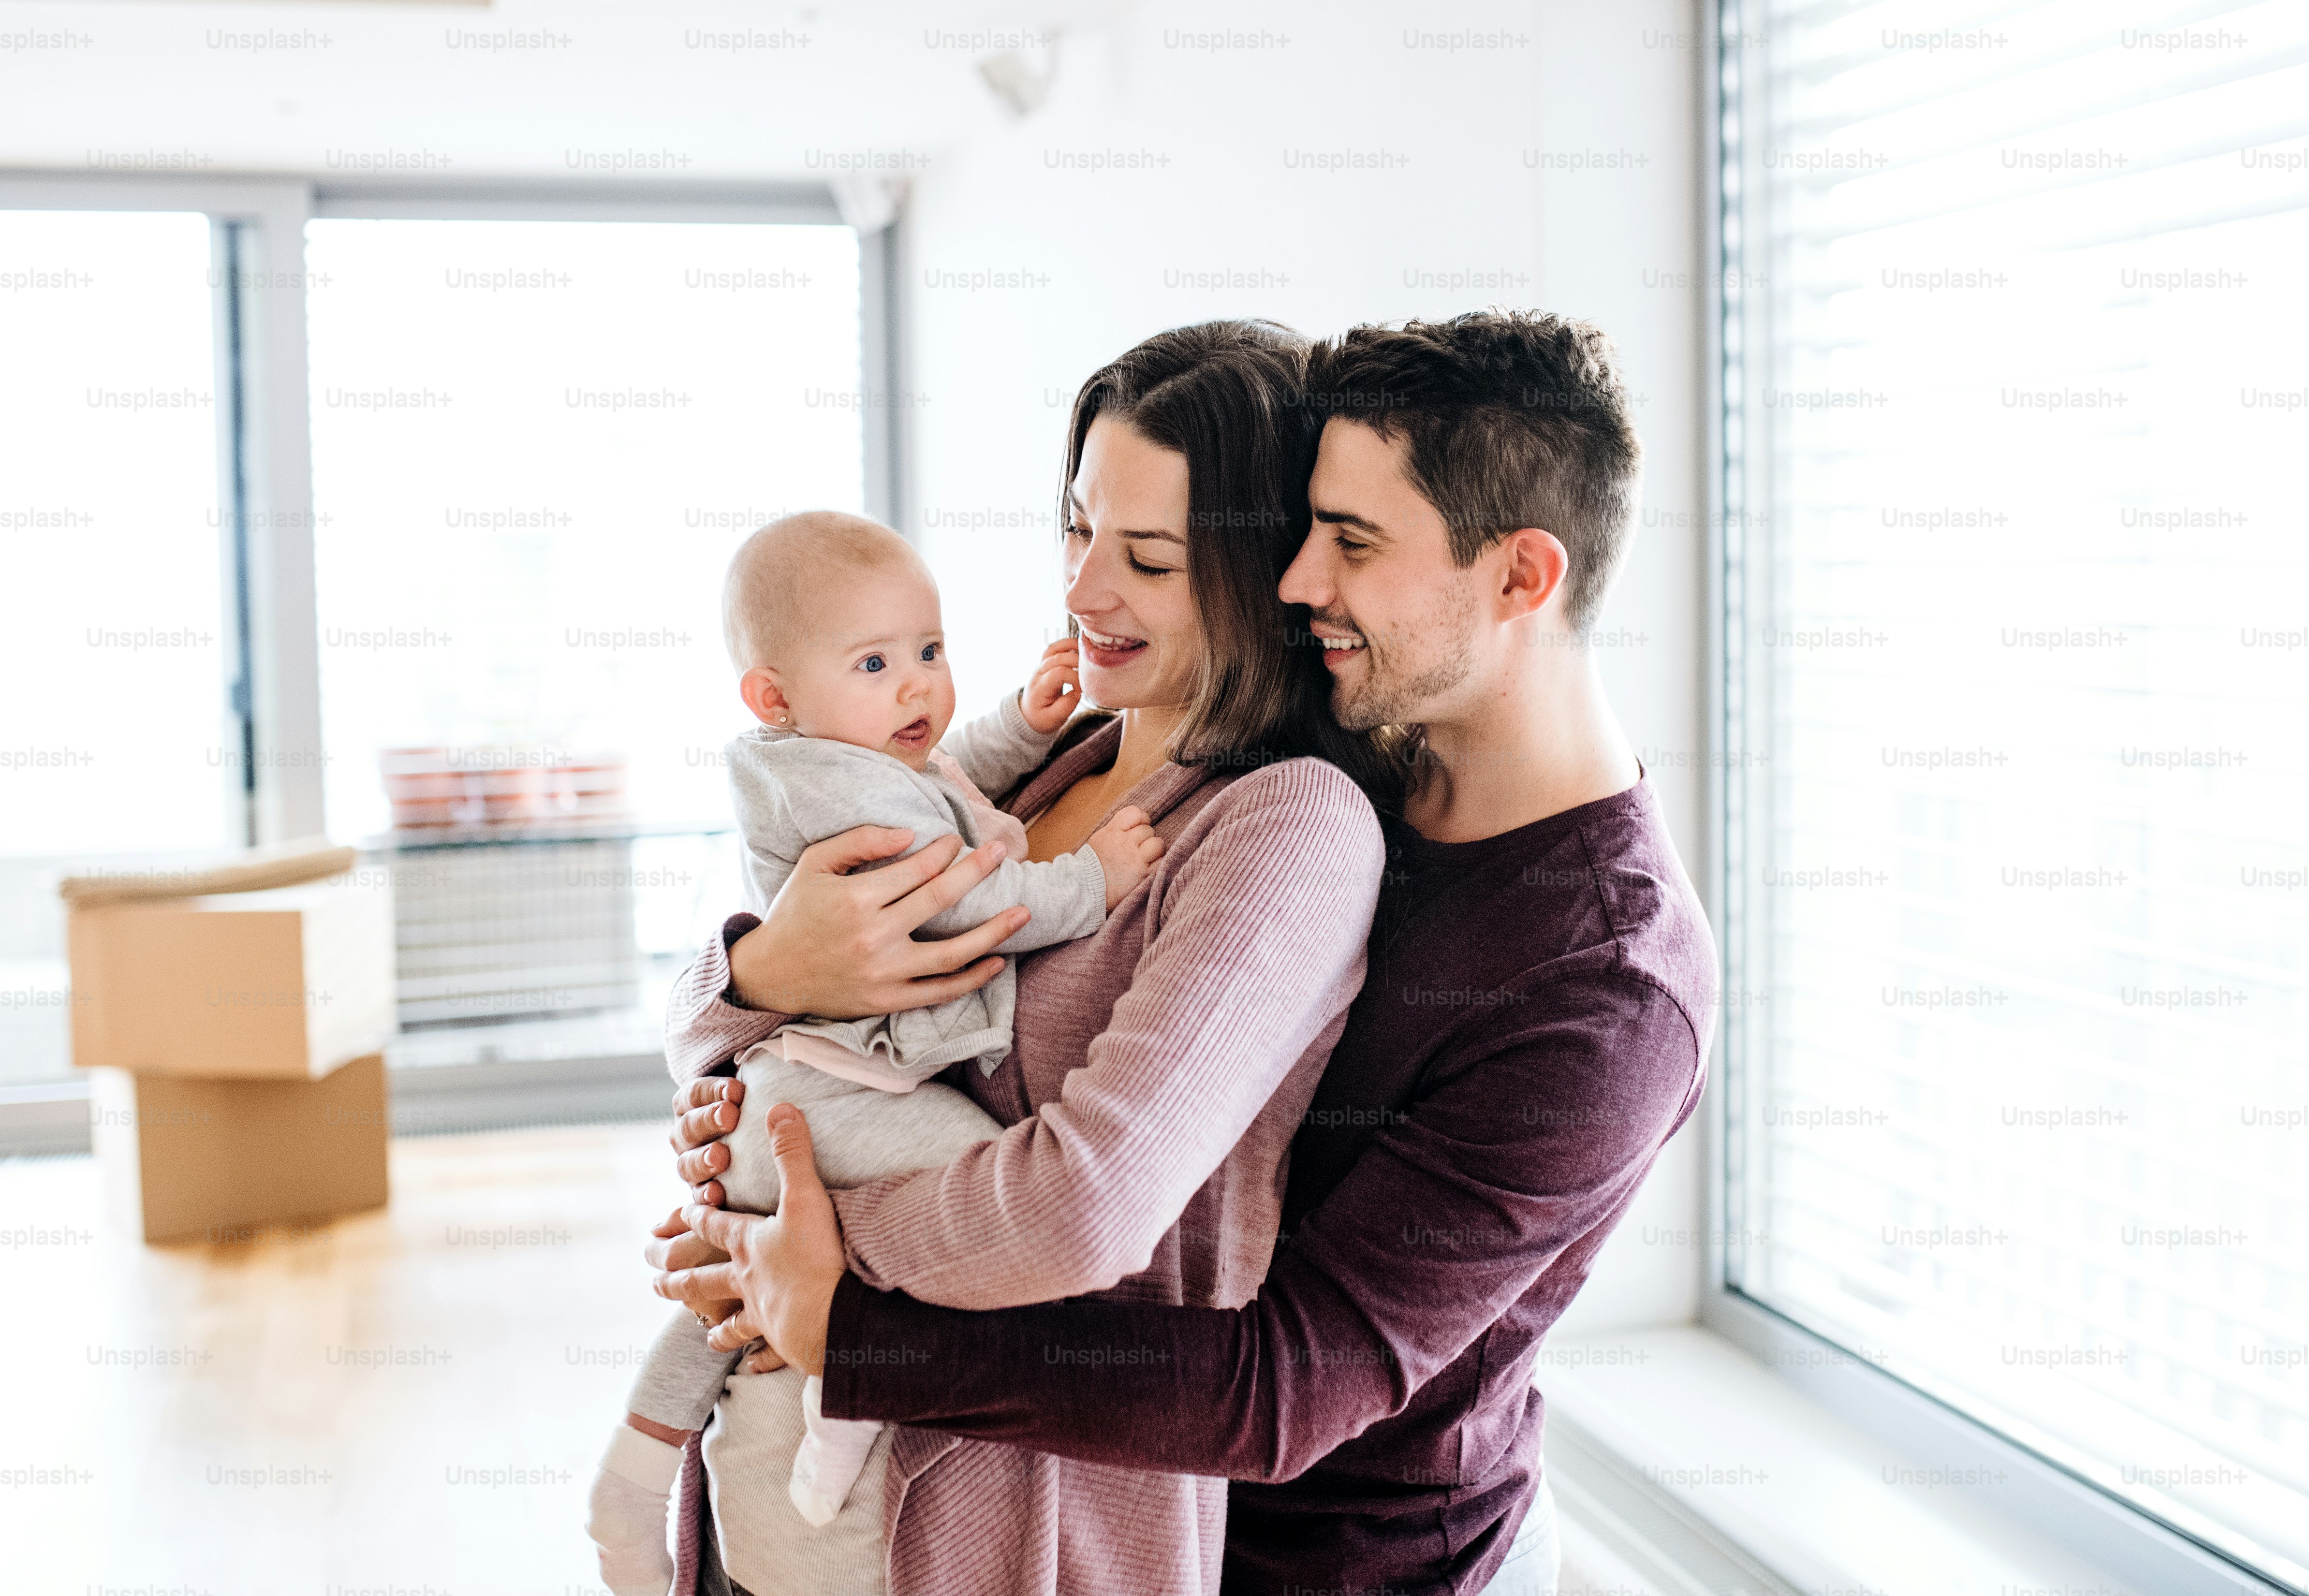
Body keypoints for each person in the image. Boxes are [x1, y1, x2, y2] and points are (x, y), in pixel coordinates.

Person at [656, 309, 1719, 1596]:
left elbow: (1284, 1378)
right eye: (1080, 525)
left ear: (1520, 578)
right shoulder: (1174, 749)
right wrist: (759, 992)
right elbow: (828, 984)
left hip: (1338, 1552)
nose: (1300, 579)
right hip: (1004, 1469)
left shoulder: (1599, 978)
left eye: (1352, 543)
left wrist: (828, 1286)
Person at [642, 320, 1412, 1595]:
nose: (1082, 590)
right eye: (1077, 526)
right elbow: (727, 1021)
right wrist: (761, 981)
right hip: (780, 1463)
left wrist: (797, 1248)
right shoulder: (1039, 764)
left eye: (1148, 559)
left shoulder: (1282, 830)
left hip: (1009, 1519)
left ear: (1268, 572)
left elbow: (1080, 1208)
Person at [583, 510, 1168, 1595]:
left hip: (805, 1080)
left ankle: (639, 1451)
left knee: (736, 1269)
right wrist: (1090, 880)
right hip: (827, 1085)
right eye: (875, 663)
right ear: (775, 698)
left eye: (930, 653)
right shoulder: (822, 782)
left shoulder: (847, 753)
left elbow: (942, 778)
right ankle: (838, 1406)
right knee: (976, 1166)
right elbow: (965, 896)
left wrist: (1020, 727)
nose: (916, 688)